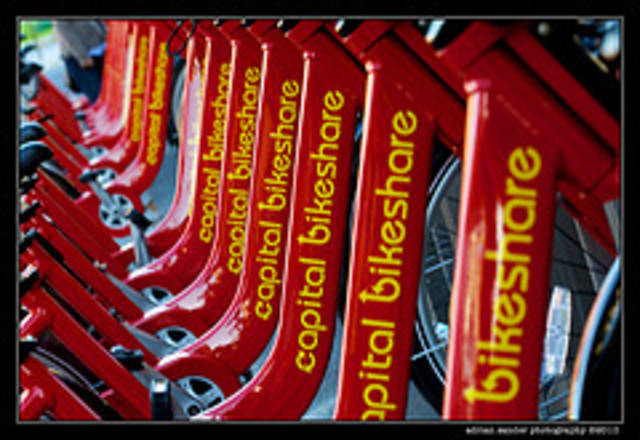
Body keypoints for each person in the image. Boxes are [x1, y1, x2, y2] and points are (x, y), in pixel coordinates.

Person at [53, 20, 106, 103]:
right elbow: (64, 30)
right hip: (80, 59)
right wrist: (83, 57)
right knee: (97, 96)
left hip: (99, 49)